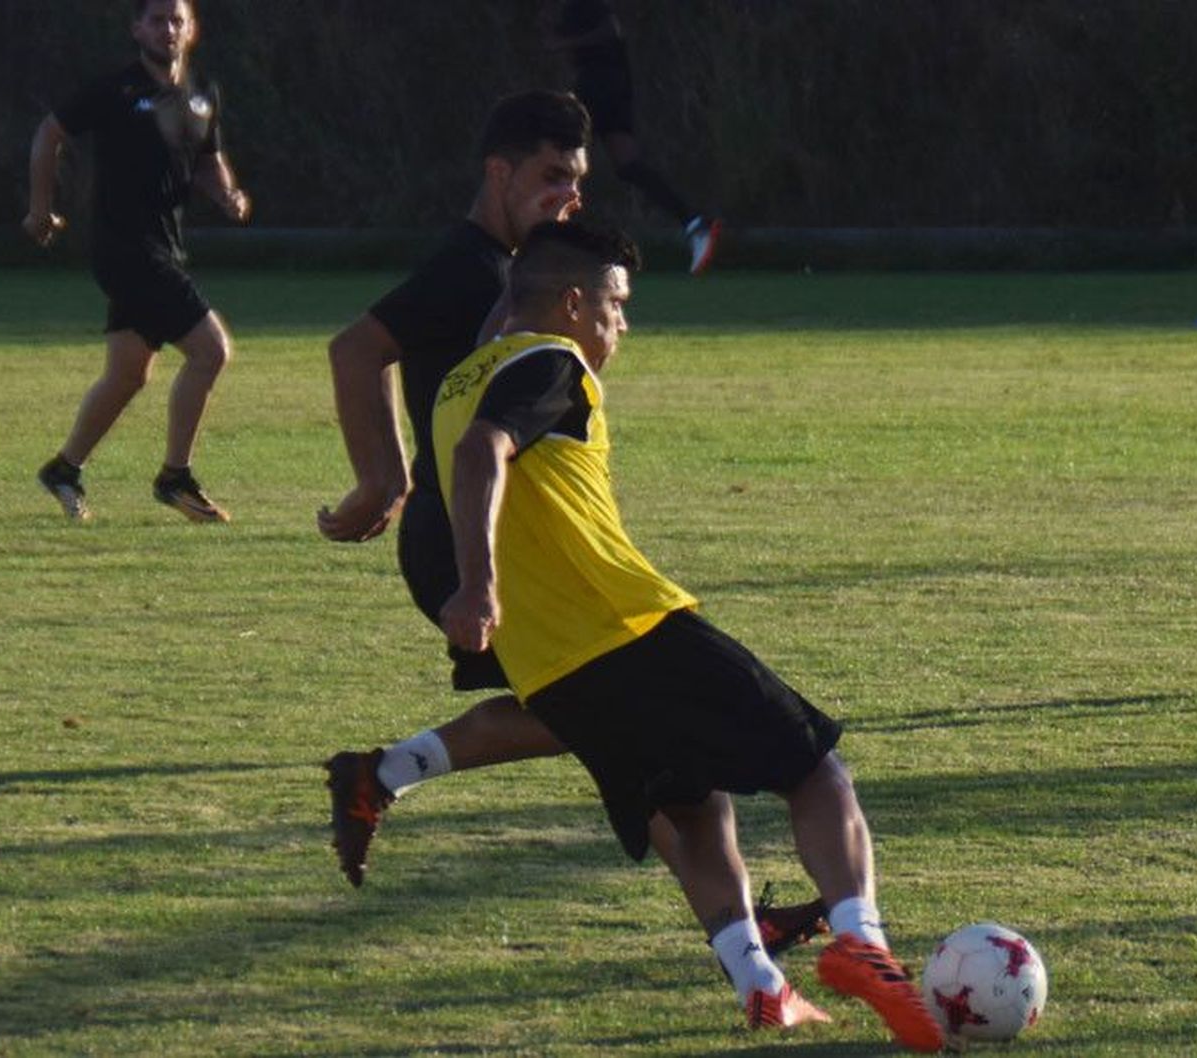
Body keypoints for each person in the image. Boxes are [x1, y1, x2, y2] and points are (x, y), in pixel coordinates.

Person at [317, 89, 826, 959]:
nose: (570, 196)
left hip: (500, 539)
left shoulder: (528, 274)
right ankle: (735, 923)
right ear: (499, 172)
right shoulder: (473, 269)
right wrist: (384, 480)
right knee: (610, 711)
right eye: (553, 176)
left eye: (578, 180)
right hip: (467, 543)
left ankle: (735, 920)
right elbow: (356, 350)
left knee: (604, 719)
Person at [428, 217, 944, 1048]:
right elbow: (484, 452)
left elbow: (472, 449)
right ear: (572, 303)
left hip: (552, 672)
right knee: (816, 769)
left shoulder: (458, 381)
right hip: (628, 629)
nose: (622, 325)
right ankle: (862, 942)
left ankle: (762, 988)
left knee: (696, 810)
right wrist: (478, 584)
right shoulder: (553, 362)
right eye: (616, 305)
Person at [28, 0, 250, 523]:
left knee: (128, 373)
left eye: (177, 20)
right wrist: (40, 210)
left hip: (166, 248)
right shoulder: (116, 90)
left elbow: (208, 160)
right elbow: (48, 134)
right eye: (157, 20)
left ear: (191, 29)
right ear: (137, 29)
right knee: (211, 351)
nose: (168, 29)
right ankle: (176, 477)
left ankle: (64, 469)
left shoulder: (201, 93)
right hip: (124, 249)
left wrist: (228, 194)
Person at [548, 0, 723, 275]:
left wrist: (566, 43)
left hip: (600, 84)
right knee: (628, 165)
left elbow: (611, 29)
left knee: (561, 157)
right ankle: (694, 223)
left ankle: (550, 250)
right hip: (612, 82)